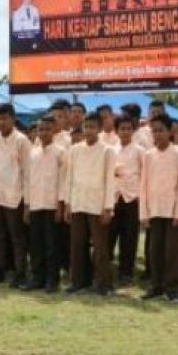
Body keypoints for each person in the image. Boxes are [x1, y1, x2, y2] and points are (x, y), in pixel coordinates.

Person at [62, 113, 117, 296]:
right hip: (78, 202)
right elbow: (69, 178)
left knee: (101, 247)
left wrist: (108, 207)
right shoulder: (75, 150)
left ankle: (103, 283)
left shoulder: (108, 151)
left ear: (100, 129)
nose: (88, 131)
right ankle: (78, 281)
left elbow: (110, 180)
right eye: (86, 127)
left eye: (93, 127)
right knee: (77, 244)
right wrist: (68, 204)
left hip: (98, 204)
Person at [139, 115, 178, 301]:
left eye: (161, 130)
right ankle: (156, 285)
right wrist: (144, 212)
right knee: (154, 249)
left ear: (170, 132)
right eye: (155, 130)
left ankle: (173, 286)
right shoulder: (148, 155)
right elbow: (143, 184)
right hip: (154, 209)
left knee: (171, 250)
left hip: (173, 210)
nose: (158, 134)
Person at [0, 103, 31, 286]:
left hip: (14, 195)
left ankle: (20, 273)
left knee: (17, 236)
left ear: (12, 118)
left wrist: (27, 202)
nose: (0, 122)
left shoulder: (22, 140)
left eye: (4, 118)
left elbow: (27, 172)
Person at [24, 114, 67, 291]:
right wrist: (27, 206)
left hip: (51, 205)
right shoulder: (32, 153)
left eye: (47, 129)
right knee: (36, 245)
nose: (43, 132)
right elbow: (27, 180)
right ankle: (37, 278)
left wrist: (60, 205)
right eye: (40, 129)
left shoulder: (60, 152)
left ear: (54, 130)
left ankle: (52, 280)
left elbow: (63, 181)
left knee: (52, 246)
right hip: (35, 204)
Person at [110, 115, 145, 285]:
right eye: (122, 128)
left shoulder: (139, 150)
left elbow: (145, 174)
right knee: (110, 234)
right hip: (114, 198)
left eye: (128, 128)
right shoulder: (111, 150)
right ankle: (107, 270)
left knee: (129, 237)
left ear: (133, 130)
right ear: (116, 131)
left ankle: (126, 272)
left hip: (132, 198)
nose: (125, 132)